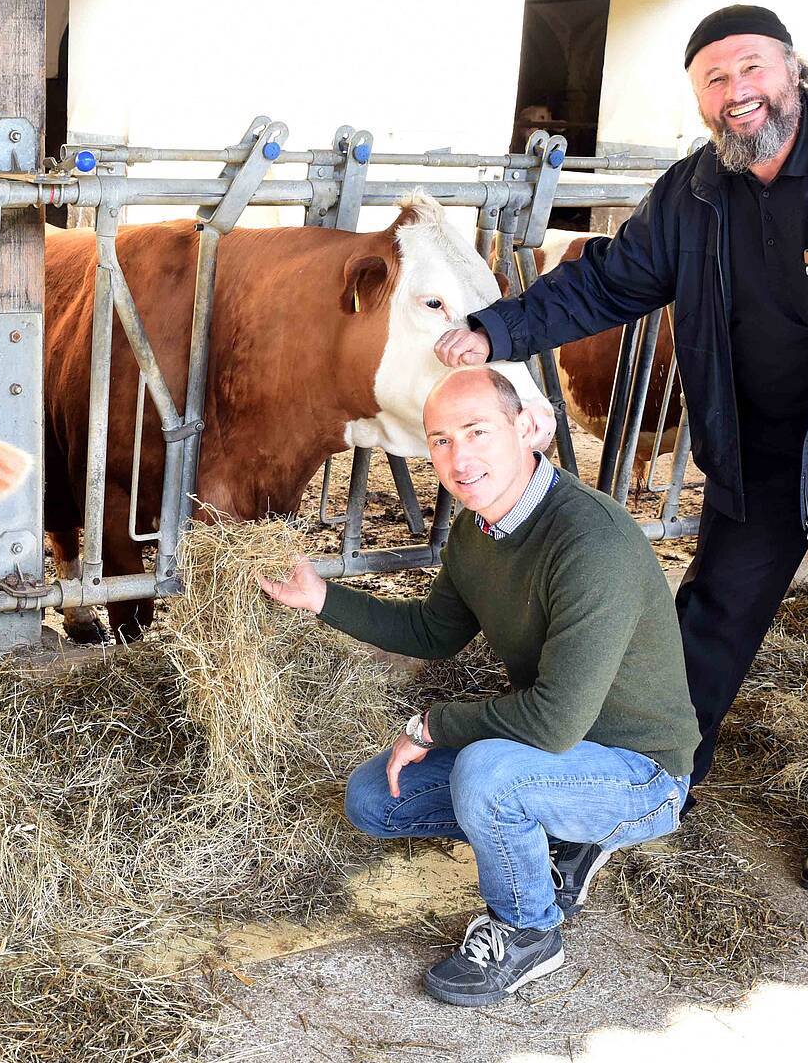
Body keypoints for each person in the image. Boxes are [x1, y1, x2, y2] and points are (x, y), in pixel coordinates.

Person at [432, 5, 808, 895]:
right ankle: (658, 783)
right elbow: (610, 281)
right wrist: (494, 328)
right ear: (701, 98)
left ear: (792, 69)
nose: (737, 92)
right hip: (762, 450)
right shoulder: (696, 192)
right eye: (715, 78)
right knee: (708, 619)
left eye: (751, 69)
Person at [260, 368, 698, 1008]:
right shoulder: (478, 529)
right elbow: (435, 631)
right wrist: (321, 597)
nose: (458, 457)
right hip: (553, 758)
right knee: (375, 799)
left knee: (490, 774)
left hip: (640, 773)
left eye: (476, 431)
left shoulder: (589, 541)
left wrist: (433, 726)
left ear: (526, 429)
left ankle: (527, 931)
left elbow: (552, 724)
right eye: (439, 439)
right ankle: (555, 838)